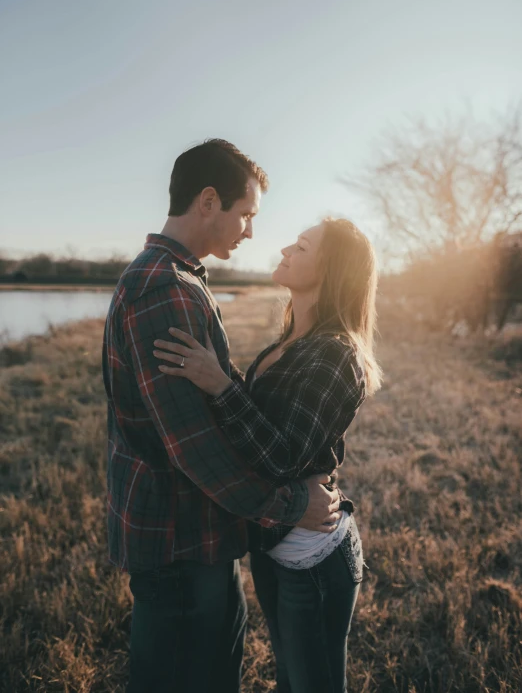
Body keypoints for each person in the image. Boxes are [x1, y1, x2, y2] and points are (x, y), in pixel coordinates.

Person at [101, 138, 345, 693]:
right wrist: (291, 506)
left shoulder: (175, 279)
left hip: (184, 538)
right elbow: (198, 452)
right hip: (181, 544)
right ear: (208, 201)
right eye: (247, 214)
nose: (252, 231)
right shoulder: (166, 292)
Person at [152, 216, 382, 693]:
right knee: (290, 680)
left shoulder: (335, 355)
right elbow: (258, 422)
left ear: (332, 269)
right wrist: (222, 379)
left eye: (301, 247)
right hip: (276, 541)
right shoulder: (292, 342)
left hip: (314, 554)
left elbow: (281, 457)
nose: (284, 250)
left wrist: (219, 383)